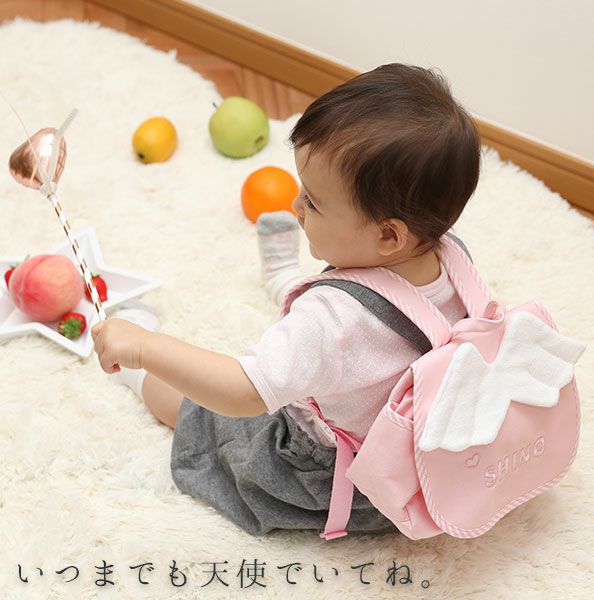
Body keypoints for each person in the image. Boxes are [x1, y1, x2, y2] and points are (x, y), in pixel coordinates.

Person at [91, 62, 482, 537]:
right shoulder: (451, 254)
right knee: (347, 300)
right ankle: (285, 280)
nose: (296, 206)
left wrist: (143, 346)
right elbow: (395, 309)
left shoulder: (330, 320)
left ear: (387, 236)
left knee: (198, 413)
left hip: (340, 478)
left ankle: (134, 375)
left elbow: (242, 391)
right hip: (421, 465)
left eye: (313, 202)